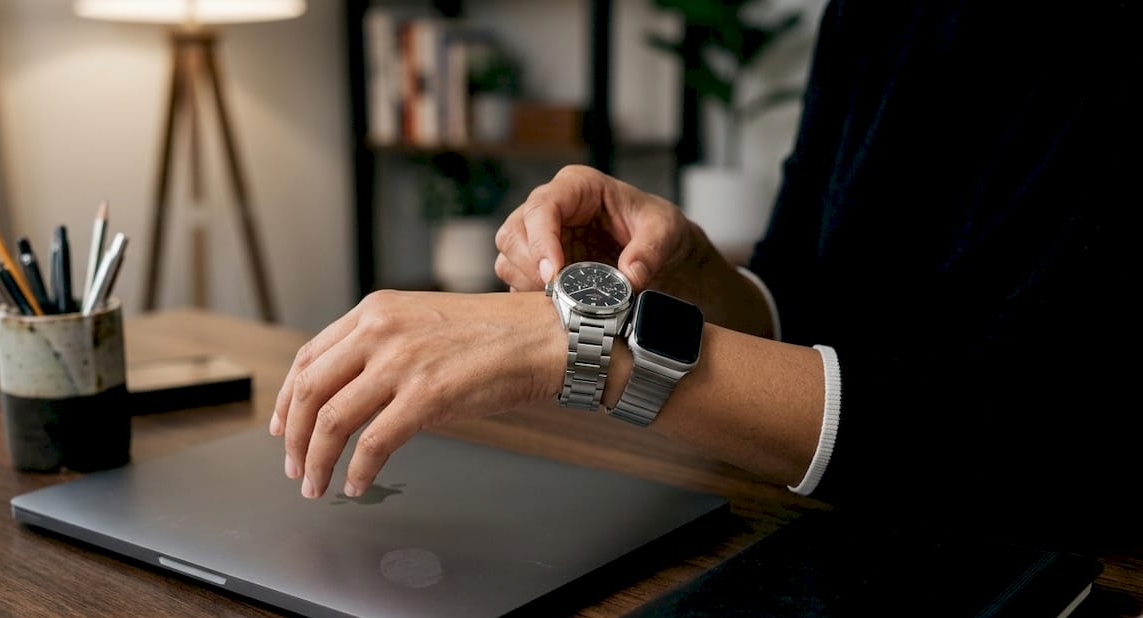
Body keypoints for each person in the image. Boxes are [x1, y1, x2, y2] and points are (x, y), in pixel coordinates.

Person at [271, 1, 1137, 549]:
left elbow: (1021, 432)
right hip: (827, 542)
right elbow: (811, 304)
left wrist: (589, 345)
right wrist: (693, 277)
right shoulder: (868, 17)